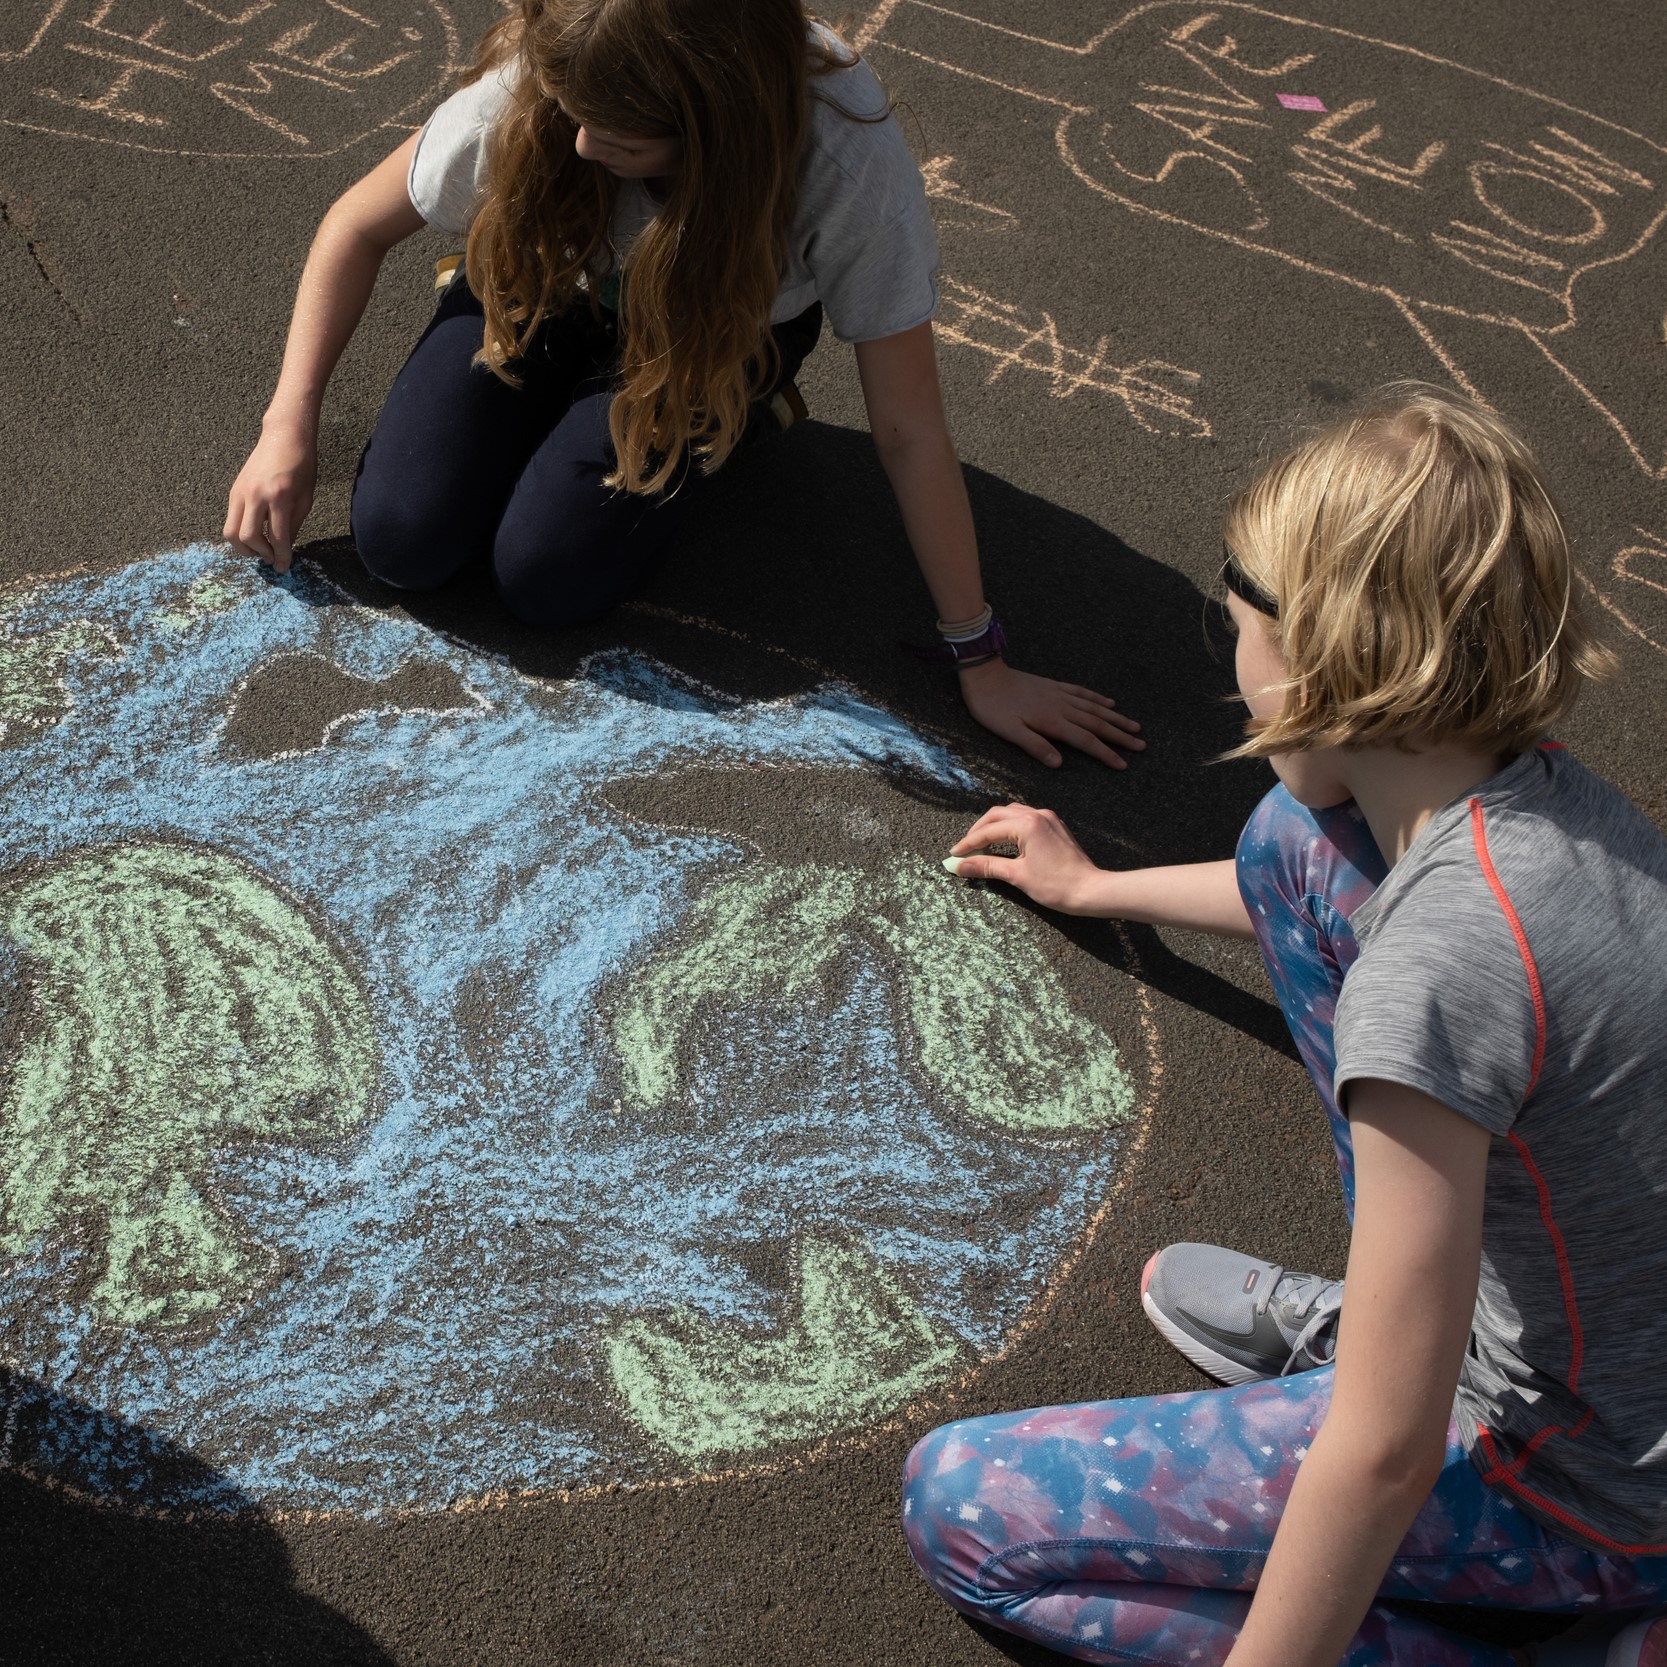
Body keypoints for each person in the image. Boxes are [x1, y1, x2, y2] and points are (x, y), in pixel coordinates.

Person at [903, 385, 1667, 1665]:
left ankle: (1571, 1639)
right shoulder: (1542, 811)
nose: (1233, 661)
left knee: (965, 1508)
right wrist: (1092, 885)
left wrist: (1384, 1409)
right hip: (1619, 1372)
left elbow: (1376, 1452)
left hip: (1572, 1487)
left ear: (1319, 659)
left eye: (1238, 627)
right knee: (1292, 851)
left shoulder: (1436, 967)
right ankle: (1385, 1321)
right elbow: (1296, 886)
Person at [222, 0, 1142, 771]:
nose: (581, 141)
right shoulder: (557, 71)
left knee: (546, 578)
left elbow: (908, 427)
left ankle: (747, 403)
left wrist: (978, 653)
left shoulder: (843, 156)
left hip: (712, 327)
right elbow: (355, 224)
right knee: (402, 539)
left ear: (715, 125)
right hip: (551, 275)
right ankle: (552, 382)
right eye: (572, 112)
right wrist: (286, 424)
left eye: (618, 135)